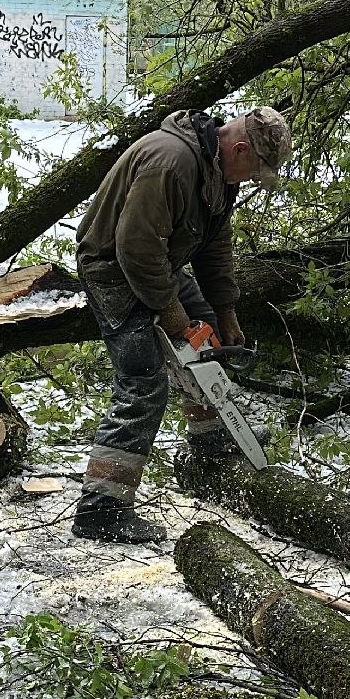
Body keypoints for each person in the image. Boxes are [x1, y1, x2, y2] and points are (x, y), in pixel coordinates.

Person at [70, 106, 291, 542]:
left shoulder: (216, 173)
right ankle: (101, 507)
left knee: (208, 335)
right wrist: (171, 313)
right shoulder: (171, 161)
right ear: (241, 148)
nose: (250, 179)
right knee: (143, 381)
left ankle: (211, 441)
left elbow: (214, 246)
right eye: (254, 170)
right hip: (113, 270)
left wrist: (223, 310)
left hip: (158, 267)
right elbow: (134, 247)